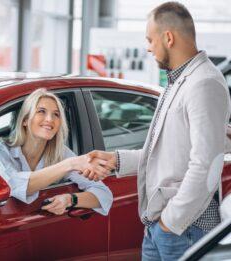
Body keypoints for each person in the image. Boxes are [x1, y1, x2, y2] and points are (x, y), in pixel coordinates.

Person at [85, 2, 231, 260]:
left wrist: (171, 221)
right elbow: (167, 154)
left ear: (168, 37)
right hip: (160, 227)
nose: (148, 47)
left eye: (150, 39)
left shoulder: (204, 84)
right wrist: (116, 160)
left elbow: (207, 165)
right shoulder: (177, 82)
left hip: (183, 228)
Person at [0, 88, 113, 216]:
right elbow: (10, 186)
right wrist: (69, 165)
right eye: (41, 111)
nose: (50, 119)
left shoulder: (61, 153)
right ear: (25, 120)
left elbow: (104, 194)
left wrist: (70, 199)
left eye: (56, 114)